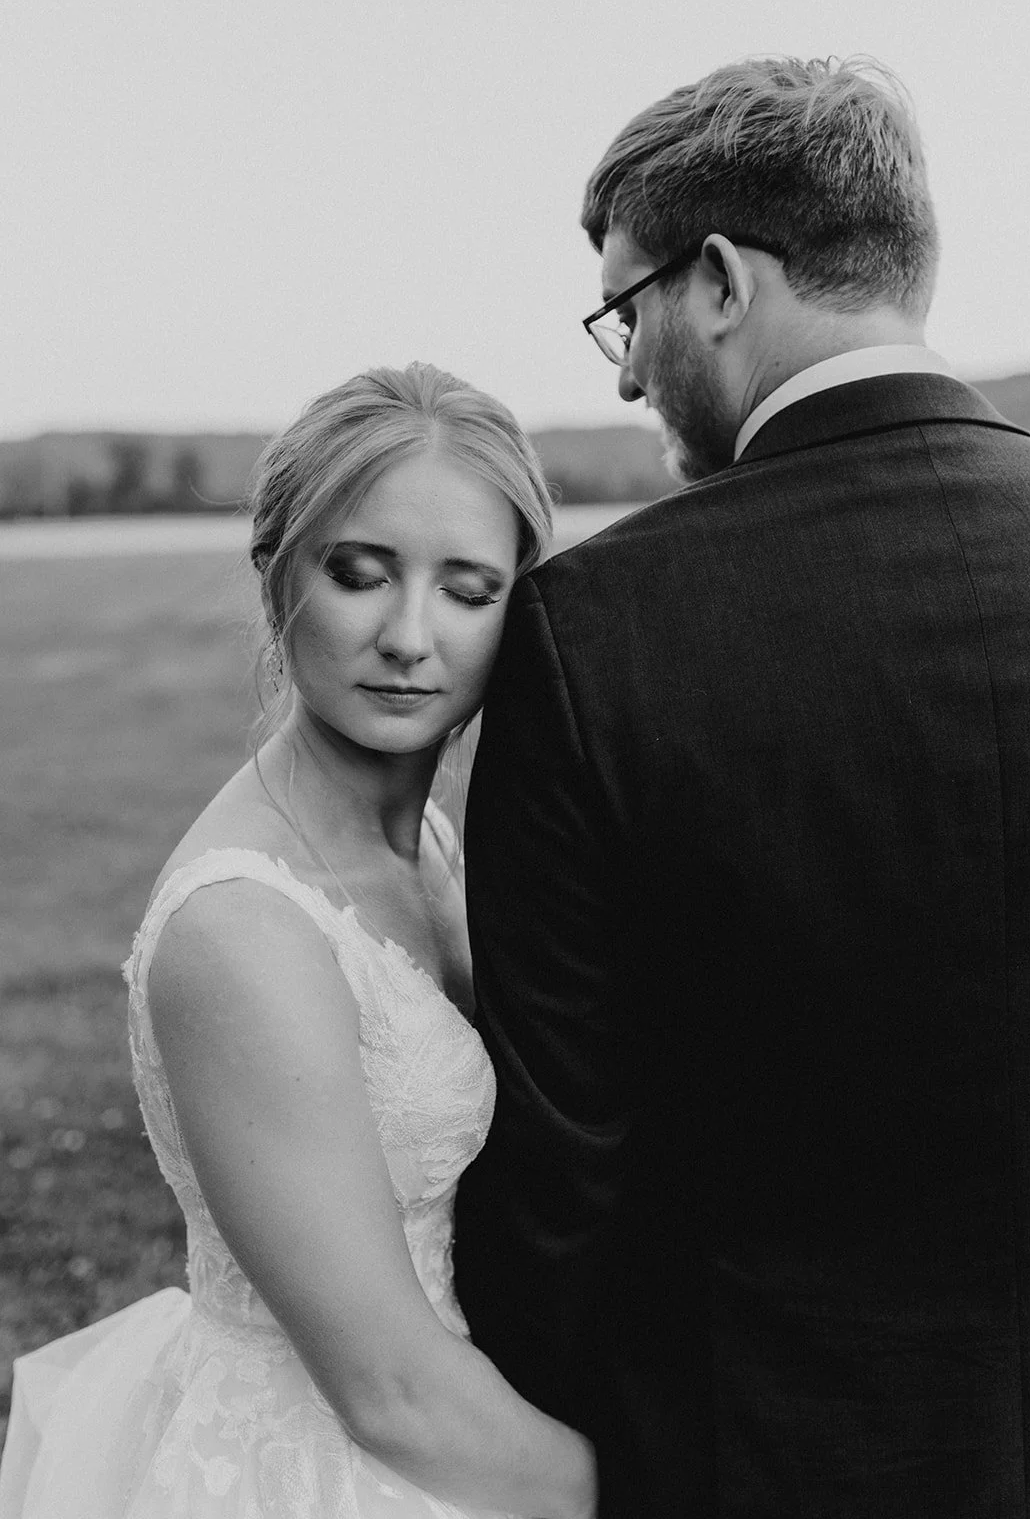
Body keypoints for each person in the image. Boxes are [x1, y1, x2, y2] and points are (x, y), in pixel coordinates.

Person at [453, 56, 1030, 1517]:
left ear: (720, 279)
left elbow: (564, 1151)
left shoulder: (596, 625)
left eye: (628, 306)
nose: (620, 366)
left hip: (757, 1448)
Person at [0, 362, 597, 1519]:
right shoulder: (244, 925)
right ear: (277, 573)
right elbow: (386, 1393)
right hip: (331, 1467)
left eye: (468, 590)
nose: (409, 636)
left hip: (466, 1421)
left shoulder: (421, 836)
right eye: (360, 574)